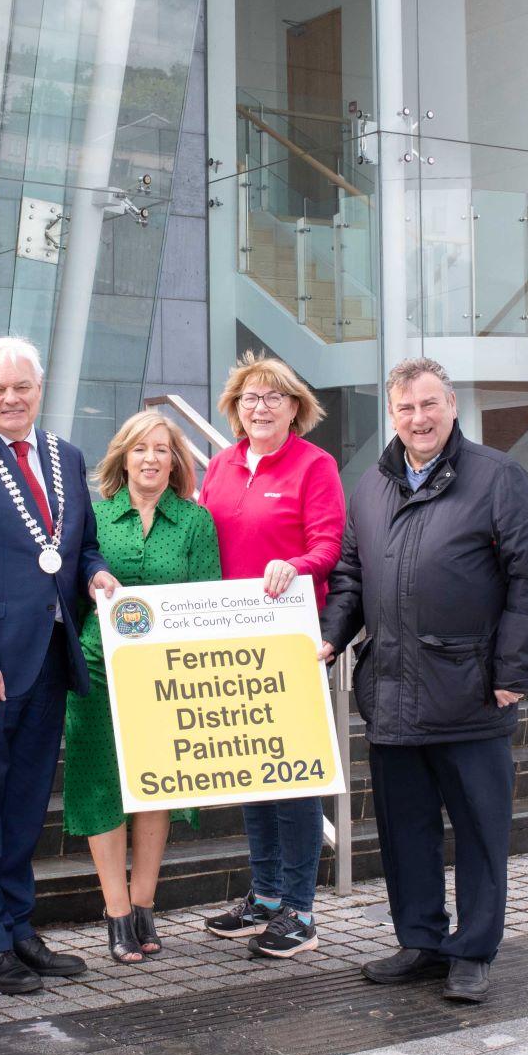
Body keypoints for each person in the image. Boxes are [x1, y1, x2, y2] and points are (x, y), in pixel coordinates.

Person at [319, 357, 528, 1004]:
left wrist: (514, 669)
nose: (419, 419)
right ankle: (422, 939)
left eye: (430, 405)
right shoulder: (370, 485)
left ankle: (474, 949)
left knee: (480, 829)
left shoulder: (497, 477)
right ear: (392, 415)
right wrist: (331, 634)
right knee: (405, 830)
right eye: (406, 408)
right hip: (393, 693)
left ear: (451, 405)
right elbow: (350, 575)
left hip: (471, 691)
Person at [0, 336, 118, 994]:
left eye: (22, 387)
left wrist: (97, 576)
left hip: (50, 658)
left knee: (26, 804)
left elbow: (81, 544)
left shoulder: (65, 455)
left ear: (40, 388)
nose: (11, 398)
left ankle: (18, 925)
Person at [200, 352, 345, 960]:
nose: (260, 408)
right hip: (232, 644)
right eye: (249, 399)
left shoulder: (316, 465)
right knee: (253, 770)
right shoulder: (220, 465)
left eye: (273, 398)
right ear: (235, 409)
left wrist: (297, 565)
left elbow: (329, 544)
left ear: (295, 409)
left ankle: (300, 910)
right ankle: (263, 897)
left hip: (292, 640)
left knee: (294, 777)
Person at [64, 411, 220, 963]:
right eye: (139, 449)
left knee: (158, 785)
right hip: (98, 670)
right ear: (122, 458)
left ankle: (145, 903)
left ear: (175, 461)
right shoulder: (94, 517)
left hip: (167, 674)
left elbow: (206, 598)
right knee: (102, 784)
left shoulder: (197, 523)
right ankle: (116, 914)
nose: (151, 458)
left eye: (162, 449)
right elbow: (74, 590)